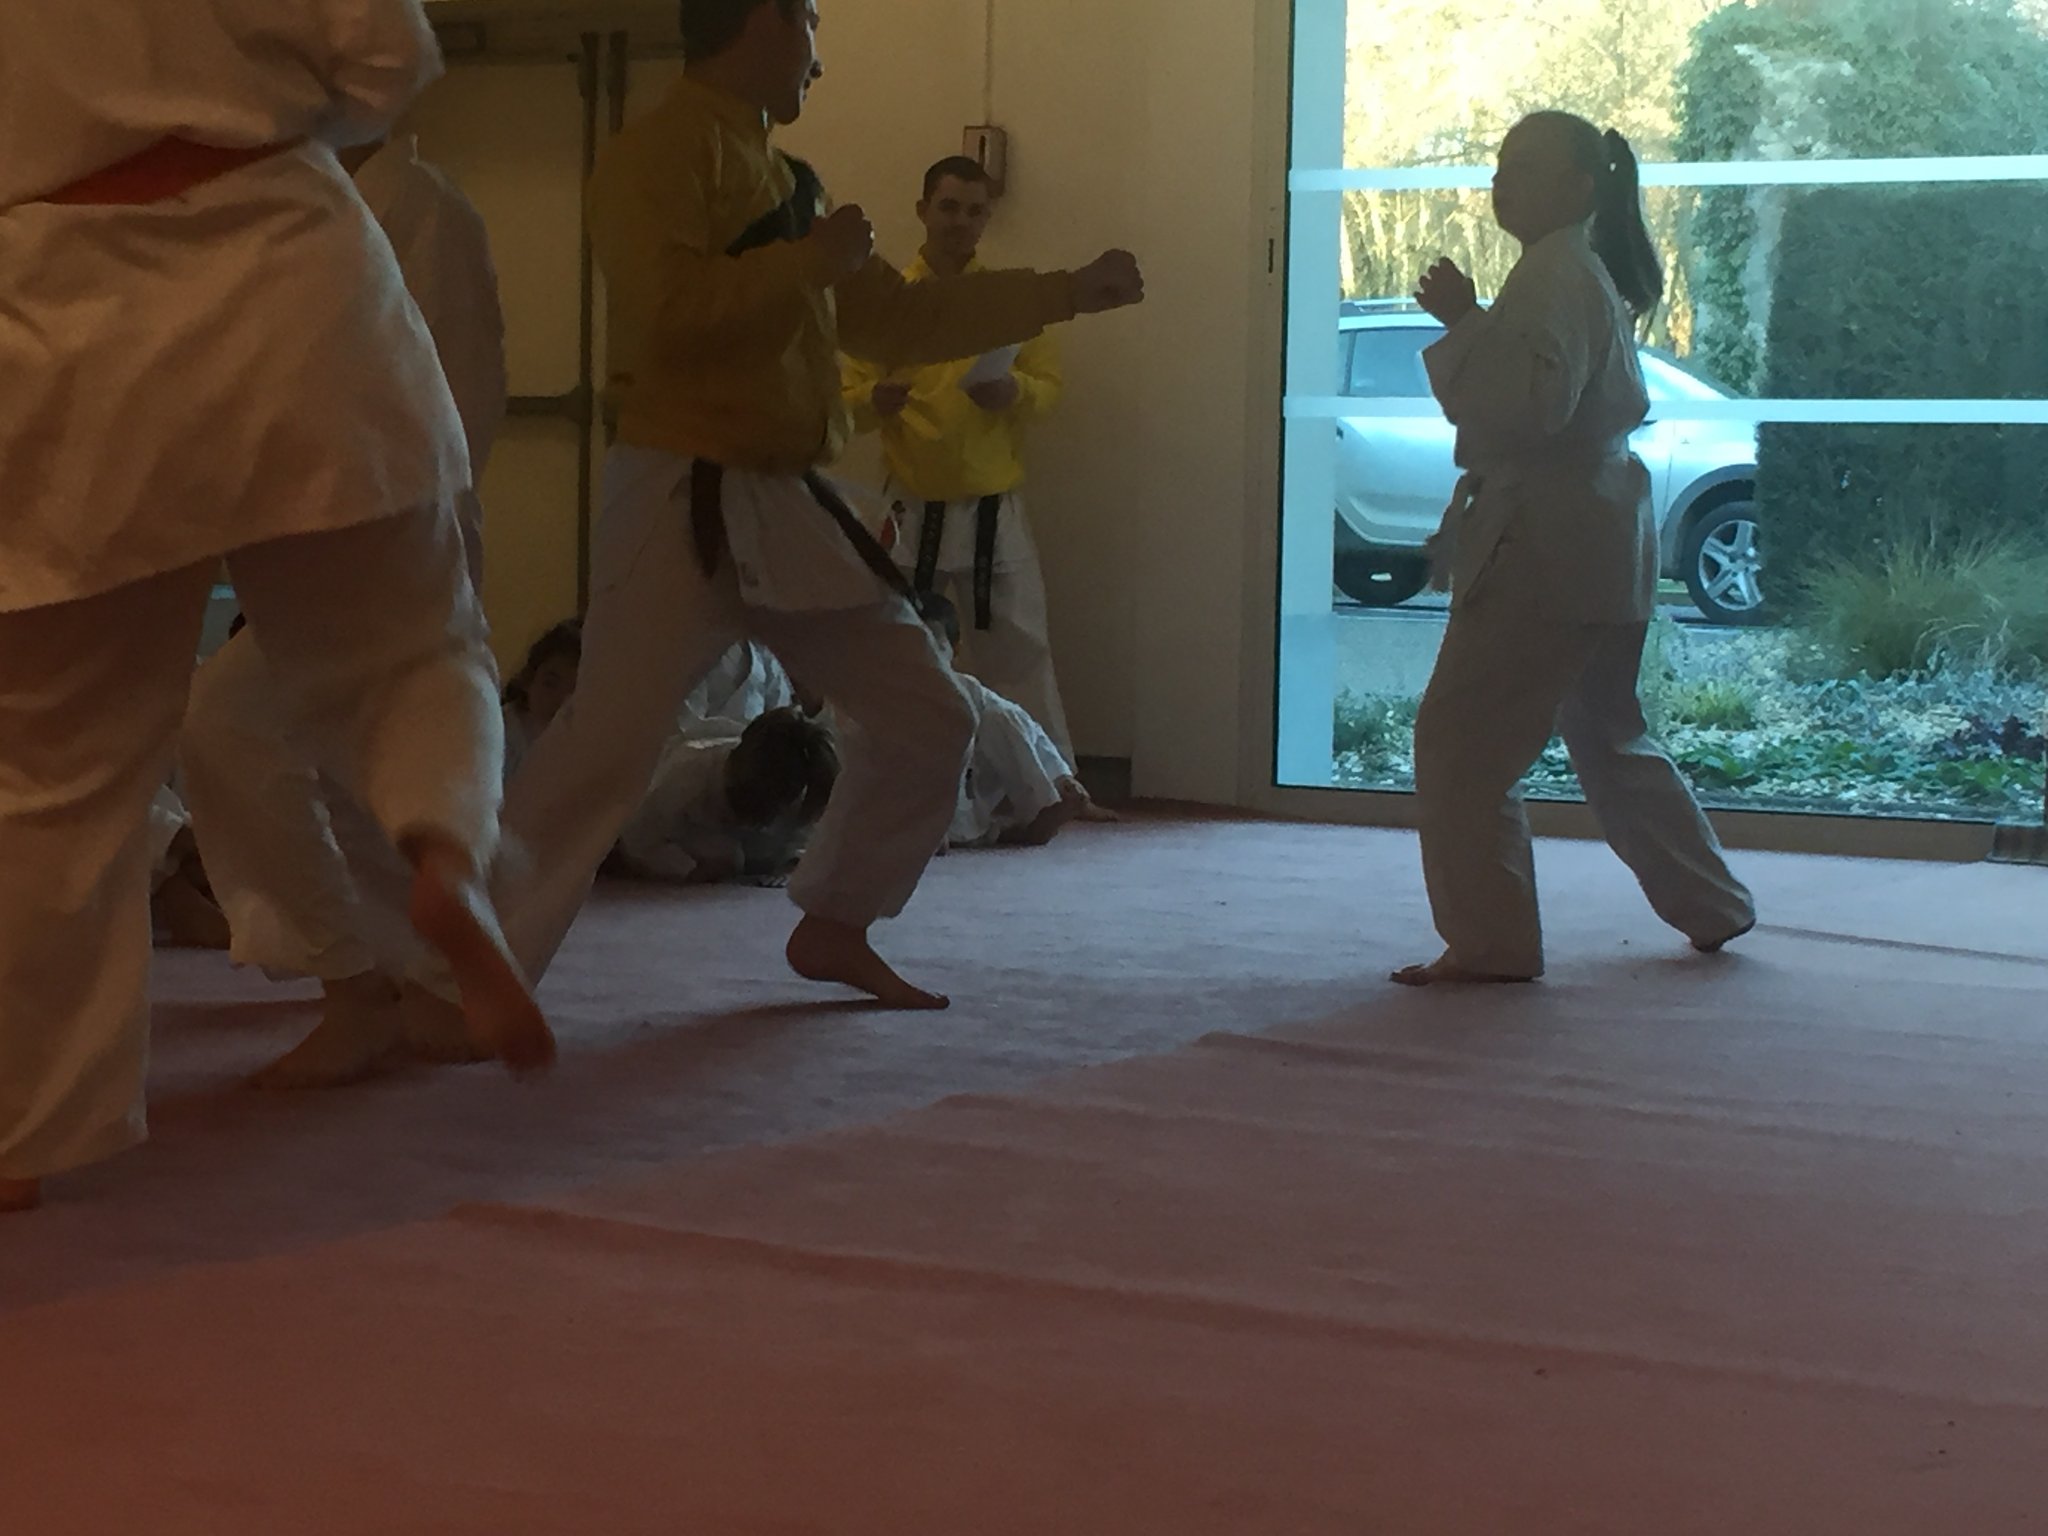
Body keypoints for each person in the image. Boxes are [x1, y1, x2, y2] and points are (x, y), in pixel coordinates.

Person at [399, 0, 1143, 1035]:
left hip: (782, 494)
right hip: (679, 485)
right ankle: (454, 981)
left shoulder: (791, 183)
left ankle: (836, 919)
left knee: (930, 713)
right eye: (809, 26)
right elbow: (666, 313)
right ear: (758, 21)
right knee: (606, 748)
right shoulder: (652, 157)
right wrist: (808, 261)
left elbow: (894, 320)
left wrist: (1063, 292)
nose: (818, 60)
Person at [0, 0, 551, 1211]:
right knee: (409, 654)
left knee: (50, 773)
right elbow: (388, 57)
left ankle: (20, 1130)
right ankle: (443, 847)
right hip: (286, 278)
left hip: (60, 306)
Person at [178, 128, 517, 1088]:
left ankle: (375, 987)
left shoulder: (421, 207)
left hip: (393, 524)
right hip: (315, 531)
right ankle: (408, 981)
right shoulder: (293, 203)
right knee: (341, 756)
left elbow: (455, 391)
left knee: (246, 728)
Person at [1393, 110, 1756, 988]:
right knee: (1606, 732)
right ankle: (1711, 902)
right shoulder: (1570, 270)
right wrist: (1477, 322)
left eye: (1524, 167)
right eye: (1500, 166)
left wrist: (1464, 320)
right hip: (1595, 535)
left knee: (1463, 745)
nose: (1502, 182)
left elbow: (1529, 410)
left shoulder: (1557, 274)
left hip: (1546, 545)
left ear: (1580, 187)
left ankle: (1493, 942)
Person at [842, 156, 1077, 761]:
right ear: (923, 210)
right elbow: (839, 397)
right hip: (910, 500)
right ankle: (878, 778)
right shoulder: (886, 300)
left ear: (987, 218)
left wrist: (1015, 390)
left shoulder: (1010, 300)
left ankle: (1050, 786)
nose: (960, 222)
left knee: (1019, 658)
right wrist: (872, 399)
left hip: (990, 502)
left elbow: (1050, 386)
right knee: (895, 654)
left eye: (974, 211)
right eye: (948, 207)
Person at [914, 595, 1088, 849]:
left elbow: (1025, 730)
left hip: (973, 782)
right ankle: (943, 830)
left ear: (955, 650)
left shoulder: (978, 699)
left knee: (1002, 718)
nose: (924, 659)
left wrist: (1061, 779)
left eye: (935, 648)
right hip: (919, 803)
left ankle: (1046, 807)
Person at [613, 706, 840, 886]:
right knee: (727, 857)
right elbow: (637, 838)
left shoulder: (796, 781)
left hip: (738, 836)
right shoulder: (682, 779)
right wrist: (689, 868)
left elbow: (809, 831)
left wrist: (796, 862)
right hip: (677, 830)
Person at [502, 619, 583, 783]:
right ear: (529, 679)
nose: (560, 700)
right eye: (550, 684)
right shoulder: (502, 732)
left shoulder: (579, 740)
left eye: (573, 692)